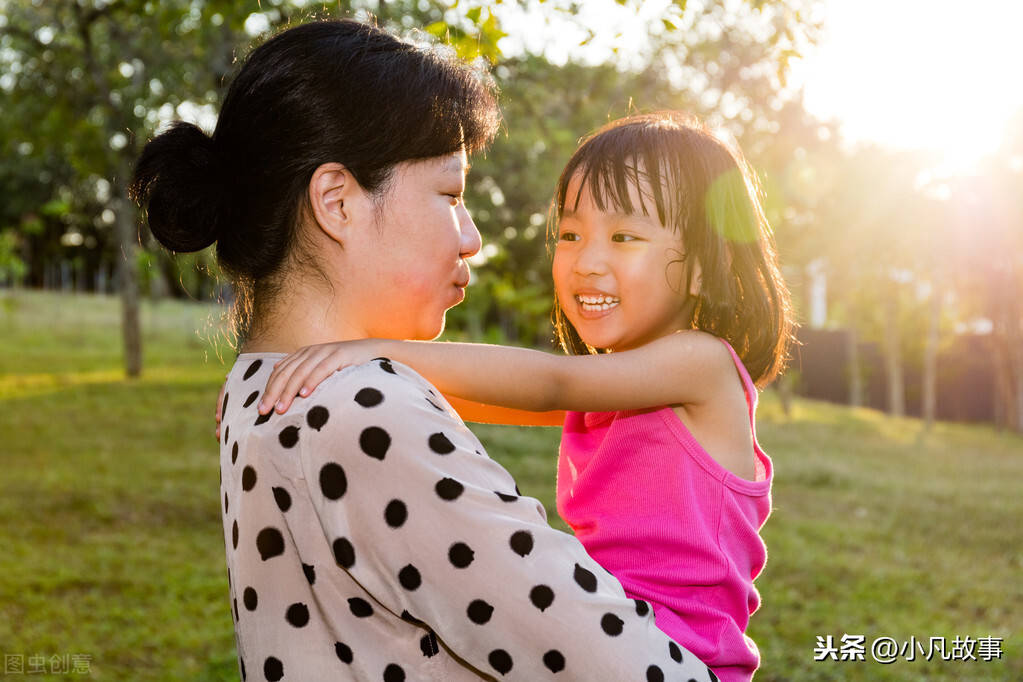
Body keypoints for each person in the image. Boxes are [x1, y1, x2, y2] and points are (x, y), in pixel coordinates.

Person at [133, 20, 719, 682]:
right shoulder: (364, 412)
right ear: (337, 202)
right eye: (450, 193)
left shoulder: (259, 383)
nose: (470, 238)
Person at [255, 111, 795, 682]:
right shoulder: (630, 380)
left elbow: (547, 384)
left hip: (680, 661)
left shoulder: (701, 364)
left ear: (706, 271)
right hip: (608, 643)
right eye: (569, 234)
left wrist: (368, 350)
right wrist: (325, 373)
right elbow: (490, 396)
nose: (585, 261)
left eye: (624, 236)